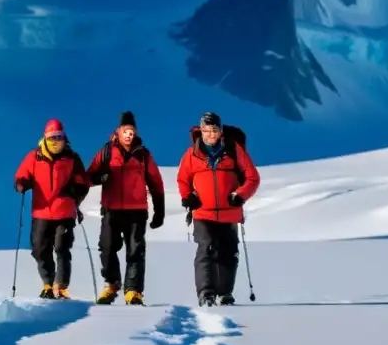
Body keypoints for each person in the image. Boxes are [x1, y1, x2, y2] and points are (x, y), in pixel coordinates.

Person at [176, 112, 260, 307]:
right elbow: (182, 179)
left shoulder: (234, 150)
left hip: (229, 212)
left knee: (229, 252)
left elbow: (252, 178)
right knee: (207, 247)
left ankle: (224, 294)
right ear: (201, 131)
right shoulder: (192, 154)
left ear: (220, 131)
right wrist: (187, 197)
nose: (210, 134)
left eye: (213, 130)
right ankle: (206, 293)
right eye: (206, 130)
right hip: (202, 212)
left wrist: (241, 194)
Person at [87, 111, 165, 306]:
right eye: (126, 131)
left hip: (136, 211)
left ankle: (133, 291)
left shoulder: (143, 154)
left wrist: (159, 211)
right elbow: (89, 176)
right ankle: (112, 284)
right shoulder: (106, 152)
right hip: (111, 209)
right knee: (106, 247)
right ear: (119, 131)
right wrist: (100, 178)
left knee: (135, 251)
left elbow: (156, 183)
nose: (129, 135)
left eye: (132, 131)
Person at [13, 119, 90, 299]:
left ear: (65, 138)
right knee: (39, 249)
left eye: (59, 137)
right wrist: (21, 184)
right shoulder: (34, 156)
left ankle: (61, 287)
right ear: (45, 138)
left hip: (64, 211)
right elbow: (21, 175)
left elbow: (82, 181)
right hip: (41, 212)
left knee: (62, 248)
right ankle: (48, 284)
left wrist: (77, 188)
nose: (56, 141)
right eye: (52, 137)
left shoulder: (72, 158)